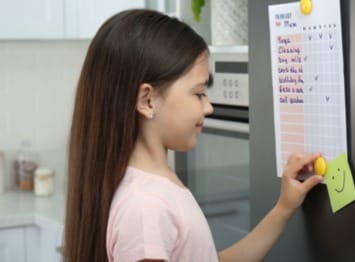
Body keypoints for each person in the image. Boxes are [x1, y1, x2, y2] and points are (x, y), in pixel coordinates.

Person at [63, 9, 324, 262]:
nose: (208, 107)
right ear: (147, 100)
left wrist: (284, 208)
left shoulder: (155, 189)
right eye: (198, 93)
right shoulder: (146, 209)